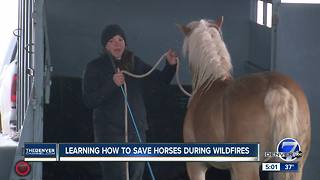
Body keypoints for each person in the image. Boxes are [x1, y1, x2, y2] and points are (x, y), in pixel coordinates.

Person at [82, 24, 177, 180]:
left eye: (120, 39)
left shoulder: (135, 63)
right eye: (112, 41)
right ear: (105, 45)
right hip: (110, 135)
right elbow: (89, 100)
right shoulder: (94, 67)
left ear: (125, 43)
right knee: (116, 176)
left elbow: (161, 82)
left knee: (135, 175)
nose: (117, 44)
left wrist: (170, 65)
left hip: (136, 133)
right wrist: (111, 84)